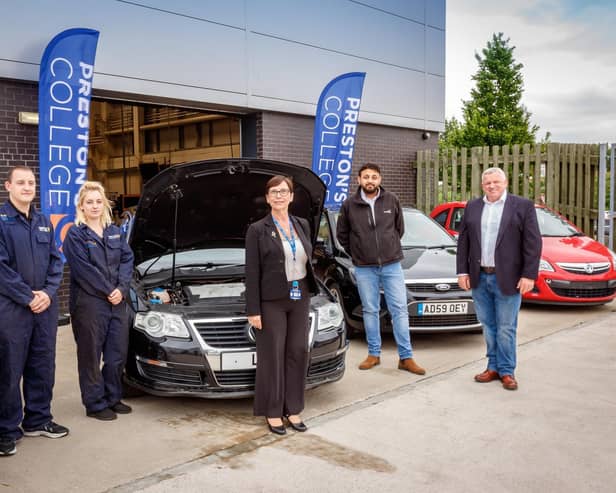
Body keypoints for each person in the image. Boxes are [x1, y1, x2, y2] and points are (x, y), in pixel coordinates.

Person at [0, 166, 68, 457]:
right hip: (12, 308)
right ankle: (6, 429)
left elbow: (56, 261)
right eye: (21, 183)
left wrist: (48, 293)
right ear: (8, 186)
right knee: (9, 368)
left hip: (43, 307)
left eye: (31, 183)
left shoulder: (43, 221)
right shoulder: (2, 221)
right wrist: (28, 297)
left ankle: (38, 420)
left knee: (42, 364)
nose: (27, 187)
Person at [456, 167, 542, 391]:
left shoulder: (521, 206)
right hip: (479, 276)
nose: (492, 186)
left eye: (496, 182)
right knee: (488, 325)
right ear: (482, 185)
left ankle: (506, 370)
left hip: (509, 278)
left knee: (505, 327)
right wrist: (462, 271)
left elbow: (532, 244)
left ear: (505, 183)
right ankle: (492, 366)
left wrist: (529, 275)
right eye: (487, 183)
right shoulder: (473, 206)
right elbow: (463, 241)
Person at [245, 175, 318, 435]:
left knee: (298, 351)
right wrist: (253, 310)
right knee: (273, 356)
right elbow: (252, 272)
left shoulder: (302, 224)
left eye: (284, 191)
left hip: (299, 295)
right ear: (267, 198)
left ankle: (293, 408)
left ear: (291, 196)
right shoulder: (257, 229)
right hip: (271, 300)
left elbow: (308, 257)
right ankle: (273, 412)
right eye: (274, 192)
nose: (279, 195)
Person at [336, 164, 425, 375]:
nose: (370, 180)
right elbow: (342, 235)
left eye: (374, 177)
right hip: (364, 268)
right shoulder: (349, 205)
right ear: (358, 180)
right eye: (366, 177)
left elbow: (399, 229)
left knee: (399, 309)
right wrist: (358, 253)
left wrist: (389, 248)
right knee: (370, 310)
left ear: (380, 179)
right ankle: (374, 354)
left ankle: (406, 357)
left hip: (392, 264)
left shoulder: (391, 200)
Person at [63, 181, 134, 420]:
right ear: (81, 206)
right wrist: (109, 290)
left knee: (116, 353)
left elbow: (127, 259)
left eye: (98, 201)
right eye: (89, 202)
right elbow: (83, 270)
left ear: (104, 204)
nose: (94, 206)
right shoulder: (75, 234)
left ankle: (113, 397)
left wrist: (121, 289)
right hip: (90, 303)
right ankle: (94, 403)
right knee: (90, 355)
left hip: (117, 301)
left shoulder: (114, 231)